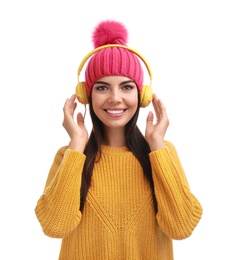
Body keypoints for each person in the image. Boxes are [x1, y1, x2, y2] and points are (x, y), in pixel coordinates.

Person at [35, 20, 203, 260]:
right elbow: (54, 226)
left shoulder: (162, 154)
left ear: (142, 95)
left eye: (126, 87)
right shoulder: (69, 156)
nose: (115, 98)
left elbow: (182, 227)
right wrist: (77, 145)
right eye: (102, 88)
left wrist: (156, 144)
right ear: (86, 95)